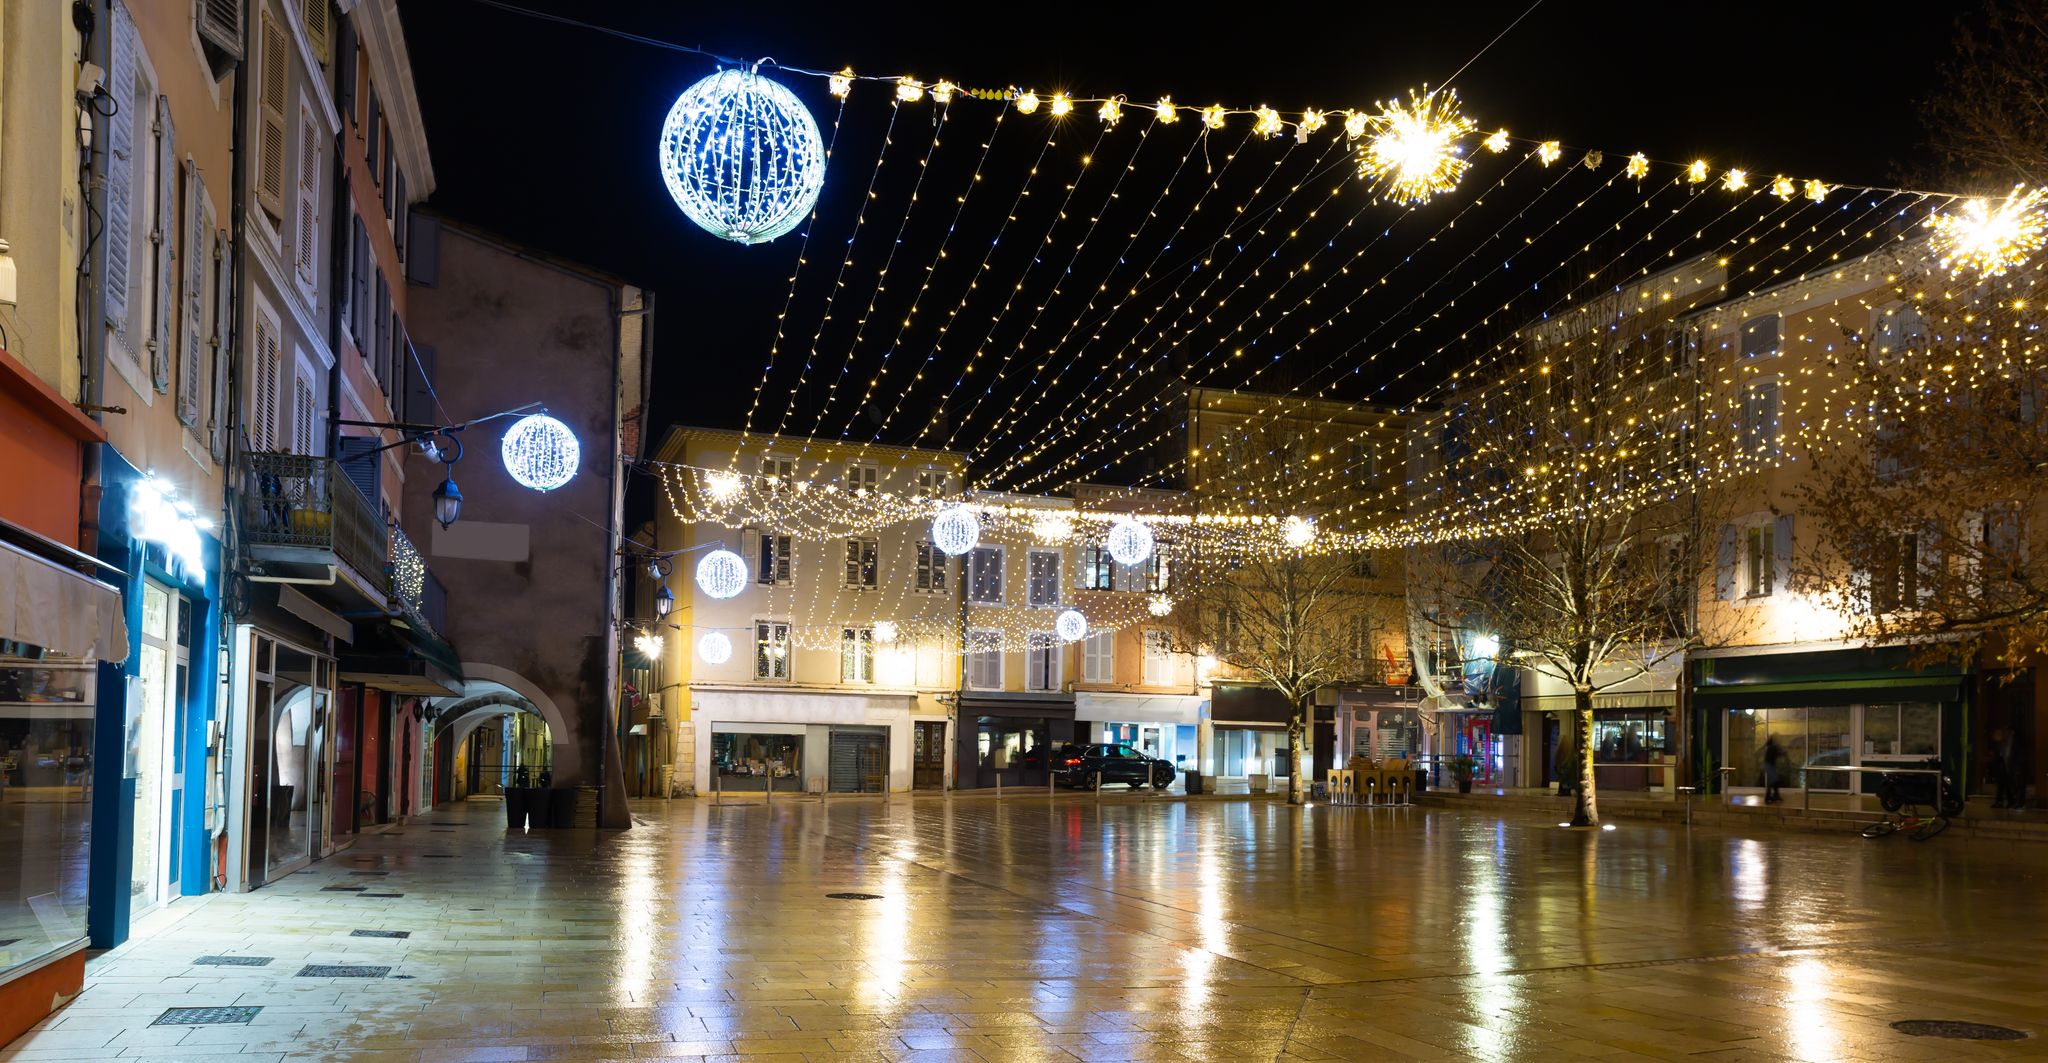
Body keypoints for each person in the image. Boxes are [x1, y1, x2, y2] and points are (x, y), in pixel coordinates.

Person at [1760, 735, 1785, 804]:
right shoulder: (1773, 747)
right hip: (1769, 766)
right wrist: (1782, 750)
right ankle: (1769, 797)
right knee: (1774, 781)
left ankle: (1774, 796)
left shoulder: (1769, 747)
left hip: (1768, 766)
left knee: (1774, 781)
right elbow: (1780, 753)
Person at [1553, 732, 1575, 797]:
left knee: (1565, 779)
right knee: (1564, 779)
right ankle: (1564, 790)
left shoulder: (1565, 749)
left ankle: (1565, 791)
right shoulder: (1568, 749)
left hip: (1565, 767)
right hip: (1564, 767)